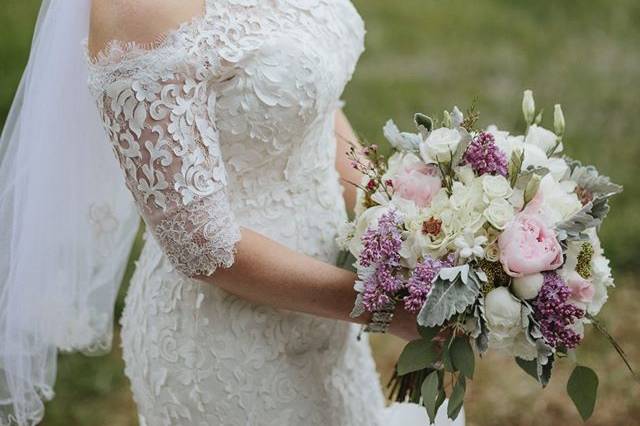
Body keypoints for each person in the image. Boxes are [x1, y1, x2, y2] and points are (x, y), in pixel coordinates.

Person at [0, 1, 463, 424]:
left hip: (330, 312)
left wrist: (408, 227)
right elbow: (200, 242)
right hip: (227, 340)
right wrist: (381, 307)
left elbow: (314, 105)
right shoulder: (135, 11)